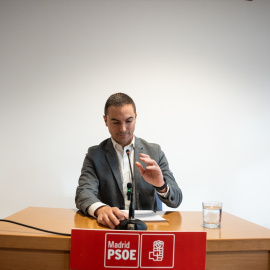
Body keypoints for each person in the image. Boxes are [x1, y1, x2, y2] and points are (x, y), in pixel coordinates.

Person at [75, 93, 182, 229]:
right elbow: (83, 193)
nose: (123, 129)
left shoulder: (154, 152)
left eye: (129, 121)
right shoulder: (95, 155)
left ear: (136, 118)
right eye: (115, 122)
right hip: (111, 228)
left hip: (147, 230)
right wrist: (100, 209)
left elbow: (176, 200)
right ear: (105, 120)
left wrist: (161, 185)